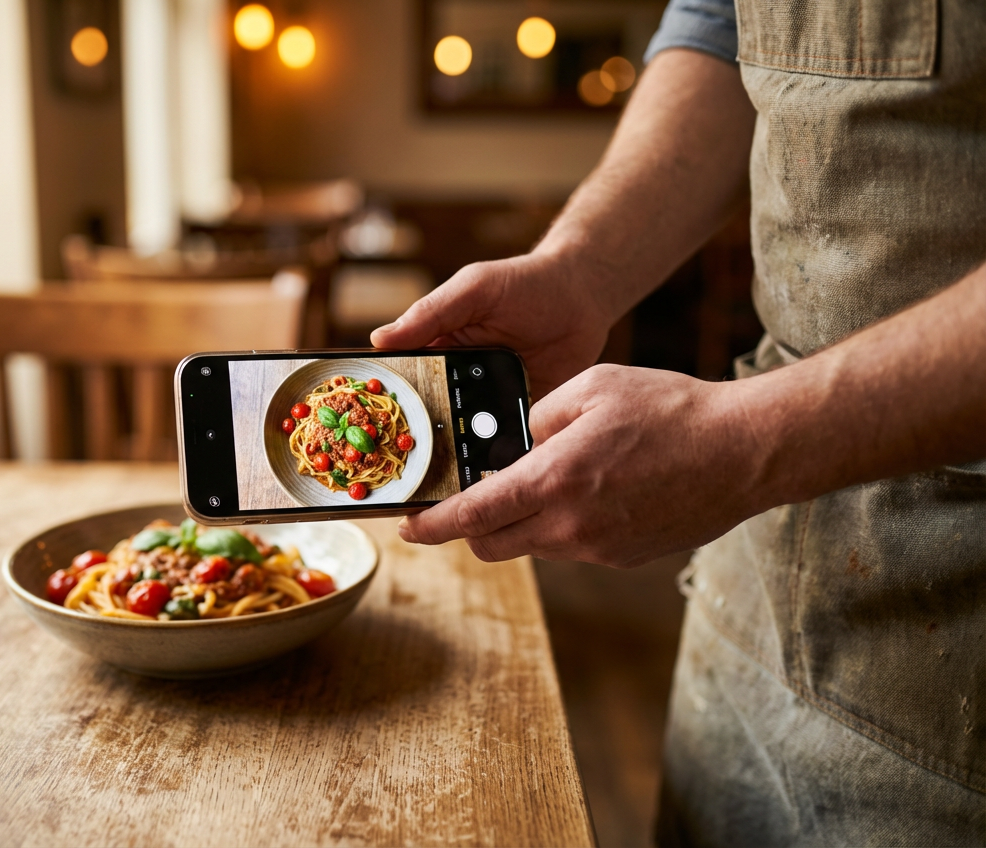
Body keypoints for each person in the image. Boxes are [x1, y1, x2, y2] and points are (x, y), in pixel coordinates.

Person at [373, 0, 986, 843]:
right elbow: (716, 27)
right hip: (750, 600)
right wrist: (581, 269)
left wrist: (744, 443)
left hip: (954, 678)